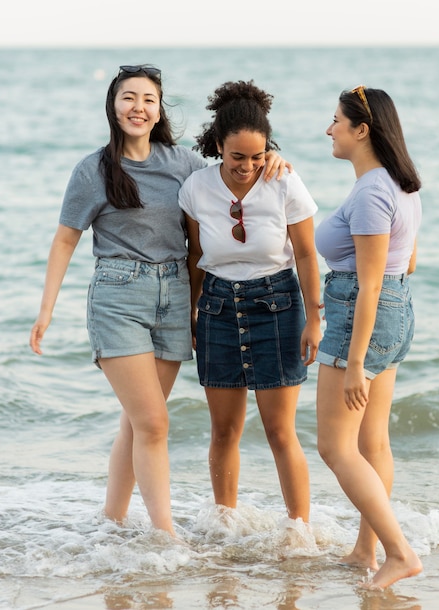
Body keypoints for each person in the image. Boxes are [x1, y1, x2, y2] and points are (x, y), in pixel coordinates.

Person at [29, 65, 288, 535]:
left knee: (137, 422)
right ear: (113, 105)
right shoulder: (93, 170)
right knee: (153, 423)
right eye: (128, 98)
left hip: (176, 297)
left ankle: (113, 520)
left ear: (158, 109)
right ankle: (165, 535)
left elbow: (235, 172)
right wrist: (46, 309)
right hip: (118, 297)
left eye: (148, 99)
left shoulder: (183, 164)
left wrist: (273, 159)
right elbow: (65, 239)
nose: (138, 107)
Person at [178, 80, 321, 523]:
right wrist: (192, 311)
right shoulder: (196, 188)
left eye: (257, 157)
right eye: (237, 156)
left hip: (277, 304)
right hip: (218, 308)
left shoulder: (284, 182)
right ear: (218, 145)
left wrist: (314, 319)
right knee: (224, 431)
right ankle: (225, 526)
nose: (248, 166)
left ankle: (300, 530)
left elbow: (305, 254)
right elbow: (195, 256)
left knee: (280, 431)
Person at [314, 85, 423, 589]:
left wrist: (355, 360)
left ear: (362, 130)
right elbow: (407, 262)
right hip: (394, 312)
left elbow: (370, 282)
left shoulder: (374, 192)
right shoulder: (401, 185)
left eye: (336, 120)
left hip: (363, 314)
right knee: (371, 440)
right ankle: (366, 550)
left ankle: (398, 553)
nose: (329, 128)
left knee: (335, 448)